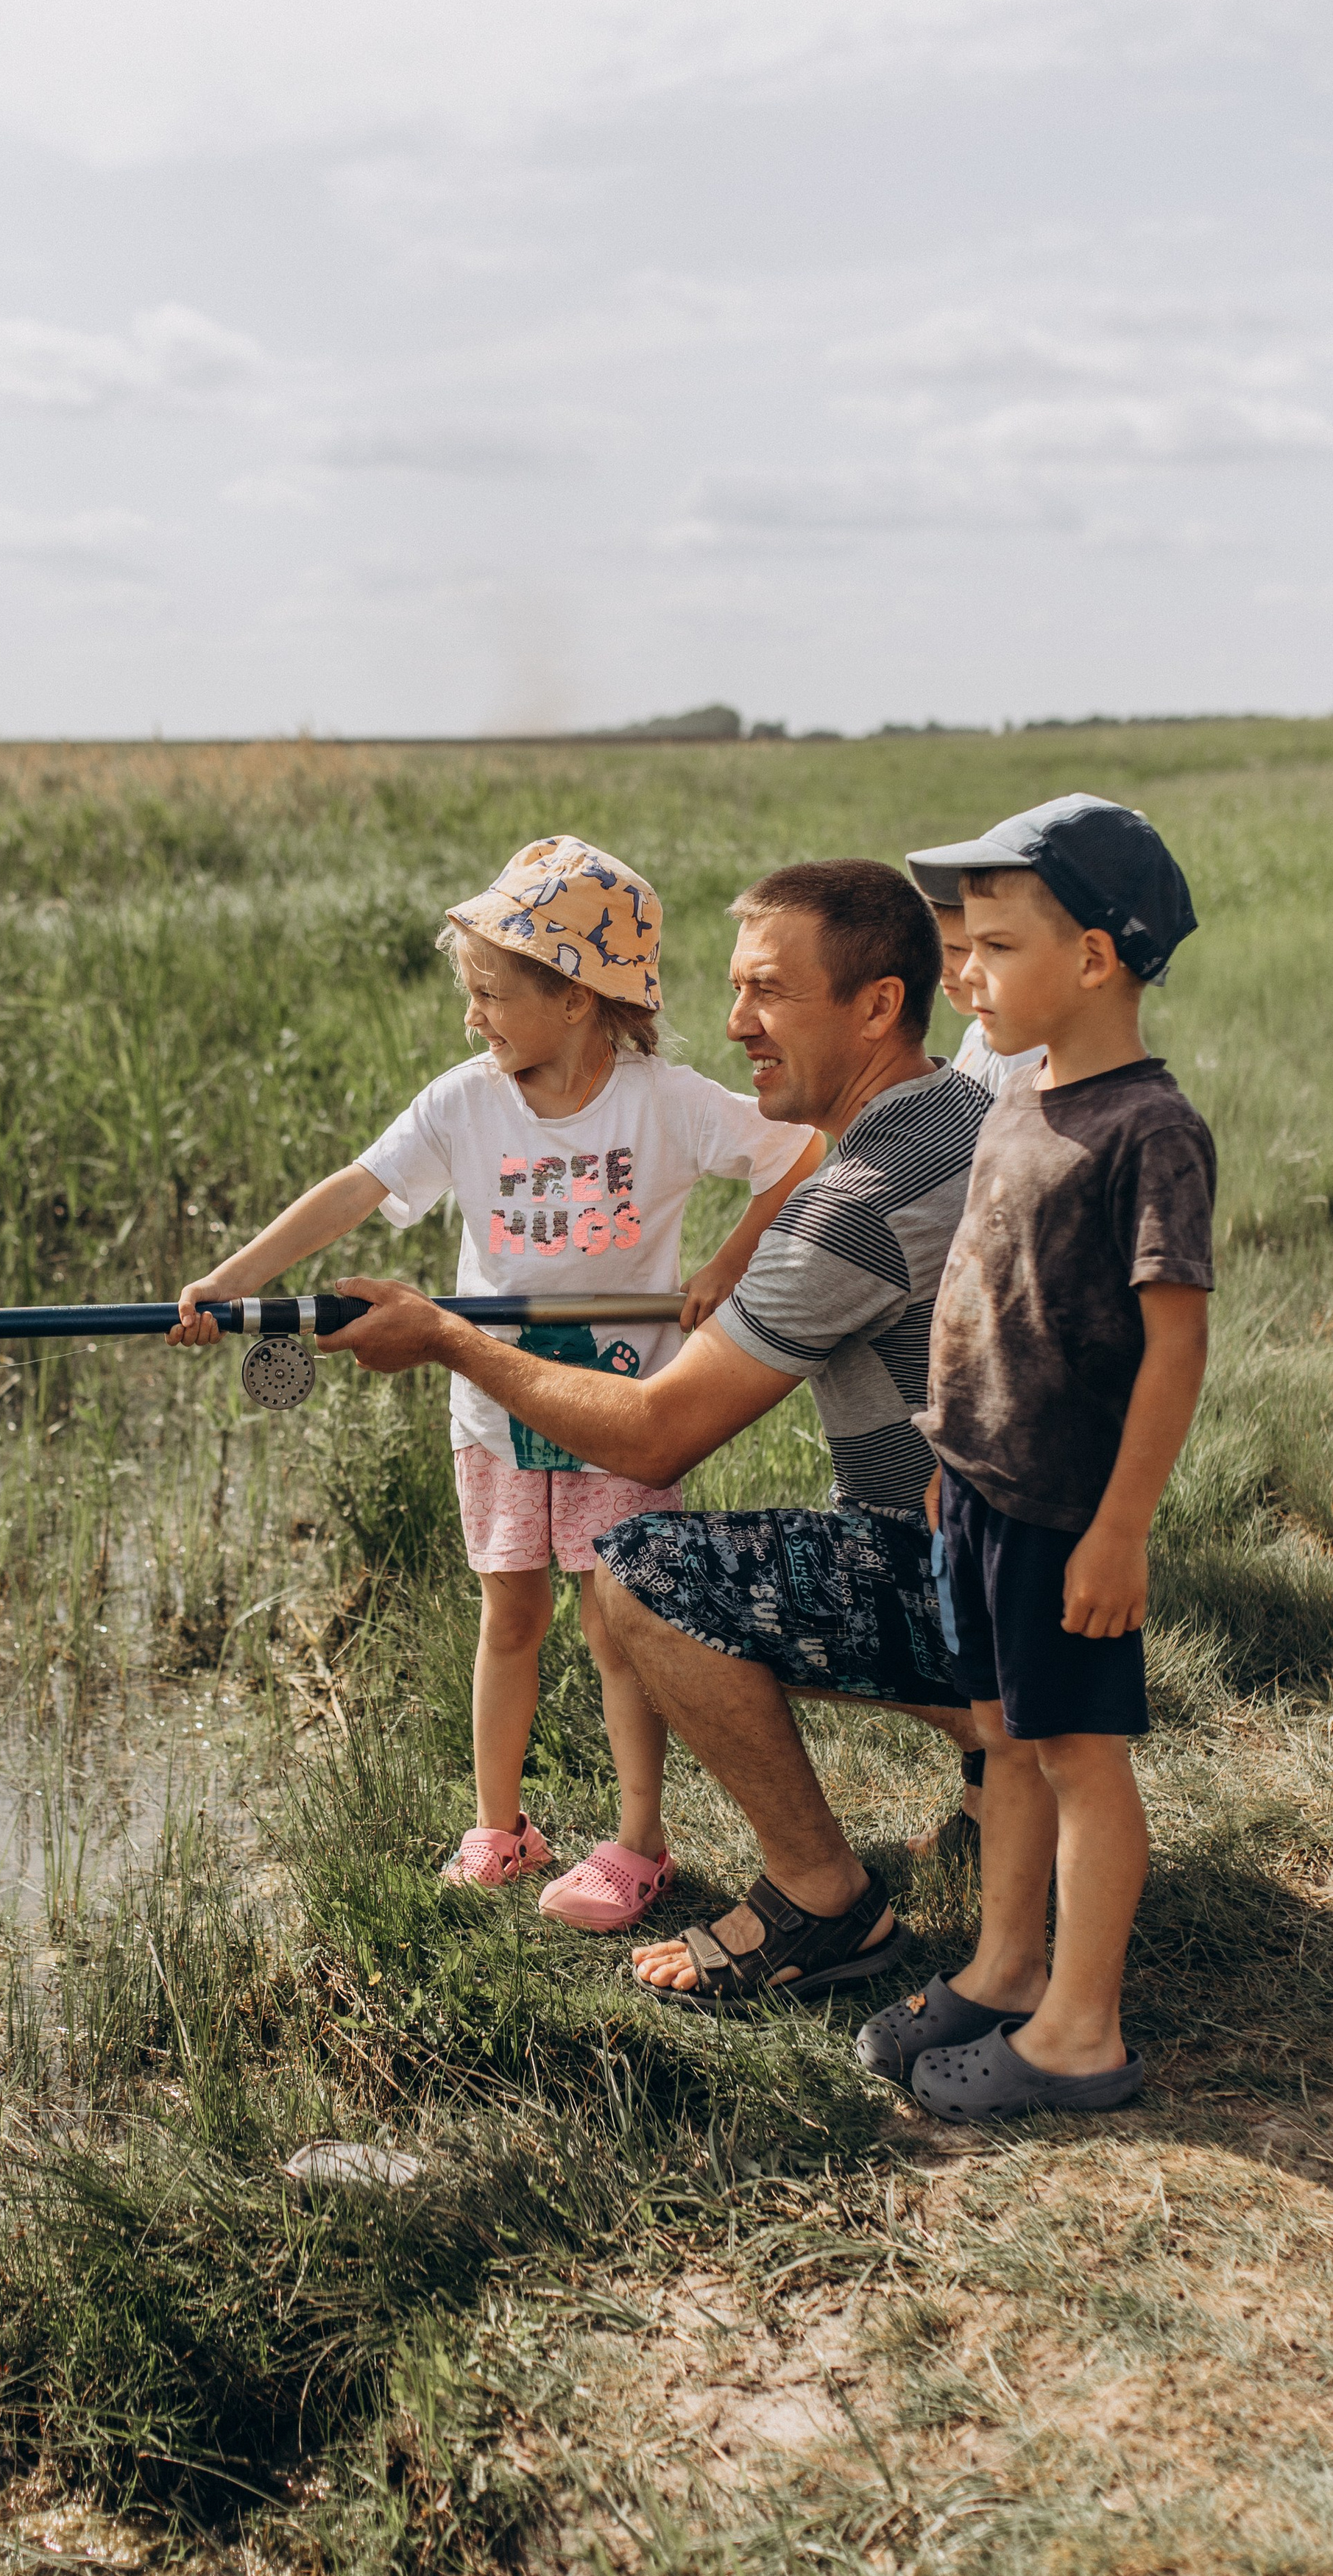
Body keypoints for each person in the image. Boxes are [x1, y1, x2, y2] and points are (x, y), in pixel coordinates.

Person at [317, 858, 991, 2005]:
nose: (733, 1026)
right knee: (831, 1544)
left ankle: (824, 1896)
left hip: (979, 1581)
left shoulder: (858, 1202)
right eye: (735, 990)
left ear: (880, 1007)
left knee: (643, 1574)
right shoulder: (965, 1111)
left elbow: (653, 1439)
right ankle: (1001, 1761)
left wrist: (448, 1338)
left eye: (768, 993)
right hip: (1012, 1554)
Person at [169, 834, 820, 1928]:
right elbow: (354, 1191)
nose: (472, 1017)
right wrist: (230, 1282)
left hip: (622, 1406)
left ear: (575, 997)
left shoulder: (665, 1101)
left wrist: (726, 1265)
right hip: (496, 1408)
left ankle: (637, 1842)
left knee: (617, 1620)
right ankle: (501, 1825)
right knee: (509, 1612)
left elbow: (796, 1159)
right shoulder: (465, 1104)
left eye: (490, 994)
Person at [854, 793, 1212, 2119]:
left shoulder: (1147, 1130)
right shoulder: (1020, 1091)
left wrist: (1122, 1530)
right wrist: (954, 1457)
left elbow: (1174, 1349)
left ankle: (1080, 2030)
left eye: (994, 949)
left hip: (1071, 1511)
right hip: (984, 1492)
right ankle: (1006, 1970)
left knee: (1078, 1753)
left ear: (1097, 959)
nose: (964, 974)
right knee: (1006, 1736)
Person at [935, 893, 1046, 1096]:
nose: (941, 968)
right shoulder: (975, 1032)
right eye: (938, 949)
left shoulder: (1021, 1055)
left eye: (957, 949)